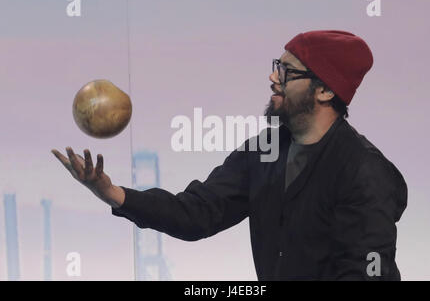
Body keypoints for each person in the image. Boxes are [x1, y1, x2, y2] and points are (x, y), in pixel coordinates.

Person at [52, 30, 407, 280]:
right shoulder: (264, 151)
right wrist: (113, 194)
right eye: (276, 65)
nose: (273, 77)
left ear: (326, 90)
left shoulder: (365, 172)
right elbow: (198, 214)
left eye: (286, 71)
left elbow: (365, 273)